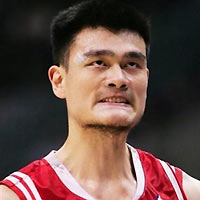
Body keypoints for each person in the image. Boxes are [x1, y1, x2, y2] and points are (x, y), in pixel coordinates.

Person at [0, 0, 200, 199]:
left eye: (131, 64)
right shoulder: (18, 195)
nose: (119, 79)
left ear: (146, 79)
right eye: (99, 63)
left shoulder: (185, 192)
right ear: (59, 81)